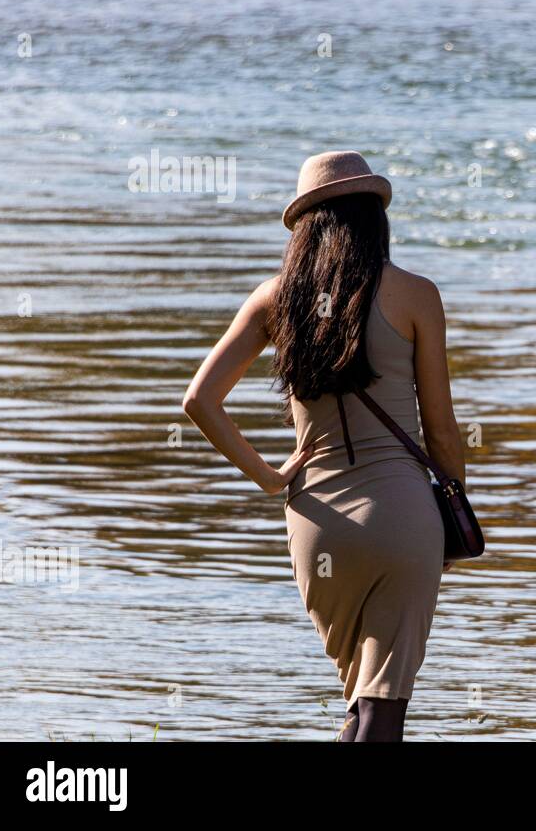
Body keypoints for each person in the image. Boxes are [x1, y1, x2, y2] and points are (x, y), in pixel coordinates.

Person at [182, 151, 465, 741]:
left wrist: (267, 476)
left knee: (360, 704)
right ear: (373, 219)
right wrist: (451, 509)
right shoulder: (416, 295)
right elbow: (440, 427)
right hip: (402, 515)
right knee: (382, 709)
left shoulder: (274, 300)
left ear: (306, 228)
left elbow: (200, 400)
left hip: (316, 521)